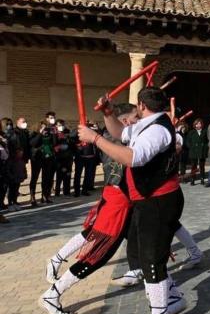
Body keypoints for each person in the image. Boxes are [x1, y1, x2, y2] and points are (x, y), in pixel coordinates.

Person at [76, 87, 186, 314]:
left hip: (159, 200)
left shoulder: (157, 129)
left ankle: (160, 309)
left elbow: (132, 157)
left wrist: (95, 138)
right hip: (147, 199)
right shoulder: (146, 124)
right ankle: (173, 299)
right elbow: (120, 134)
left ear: (142, 106)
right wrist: (108, 113)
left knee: (151, 259)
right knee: (149, 254)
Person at [40, 103, 146, 314]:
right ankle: (53, 292)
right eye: (136, 117)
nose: (139, 120)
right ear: (125, 121)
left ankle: (142, 271)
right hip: (117, 201)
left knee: (119, 238)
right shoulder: (117, 138)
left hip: (121, 199)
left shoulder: (120, 136)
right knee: (99, 253)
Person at [31, 120, 57, 204]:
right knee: (34, 178)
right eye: (42, 127)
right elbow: (33, 144)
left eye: (45, 127)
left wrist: (53, 134)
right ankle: (32, 197)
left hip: (47, 159)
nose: (44, 129)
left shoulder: (49, 135)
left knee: (46, 178)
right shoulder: (34, 134)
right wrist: (40, 134)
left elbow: (54, 143)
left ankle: (45, 196)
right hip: (37, 159)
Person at [73, 122, 99, 197]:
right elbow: (72, 136)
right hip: (80, 157)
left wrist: (96, 128)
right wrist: (79, 128)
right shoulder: (78, 132)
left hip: (90, 157)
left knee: (88, 175)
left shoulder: (92, 132)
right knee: (78, 175)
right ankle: (77, 191)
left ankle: (85, 190)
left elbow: (100, 135)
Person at [54, 119, 75, 197]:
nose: (61, 127)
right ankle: (57, 192)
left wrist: (68, 138)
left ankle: (67, 192)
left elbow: (72, 144)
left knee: (68, 175)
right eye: (59, 125)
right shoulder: (55, 134)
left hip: (68, 157)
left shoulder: (67, 132)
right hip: (59, 158)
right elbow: (54, 145)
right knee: (59, 176)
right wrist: (59, 146)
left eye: (62, 125)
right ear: (56, 126)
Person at [186, 118, 208, 186]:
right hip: (193, 151)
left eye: (200, 123)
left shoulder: (205, 132)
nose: (198, 125)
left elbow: (207, 141)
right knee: (193, 166)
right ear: (195, 125)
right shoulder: (191, 132)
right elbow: (187, 141)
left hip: (202, 151)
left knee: (202, 166)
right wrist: (191, 147)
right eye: (197, 124)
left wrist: (205, 147)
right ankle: (192, 180)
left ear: (202, 124)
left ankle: (202, 179)